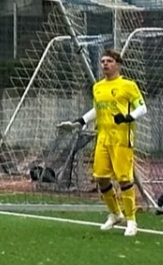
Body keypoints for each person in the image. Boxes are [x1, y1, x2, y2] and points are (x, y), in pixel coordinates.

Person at [63, 49, 147, 237]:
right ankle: (116, 213)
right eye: (102, 61)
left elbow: (142, 108)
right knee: (100, 177)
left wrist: (128, 117)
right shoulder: (98, 87)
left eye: (109, 61)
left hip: (121, 138)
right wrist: (80, 121)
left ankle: (131, 220)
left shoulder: (128, 85)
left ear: (118, 64)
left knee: (124, 179)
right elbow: (97, 109)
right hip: (103, 137)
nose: (105, 64)